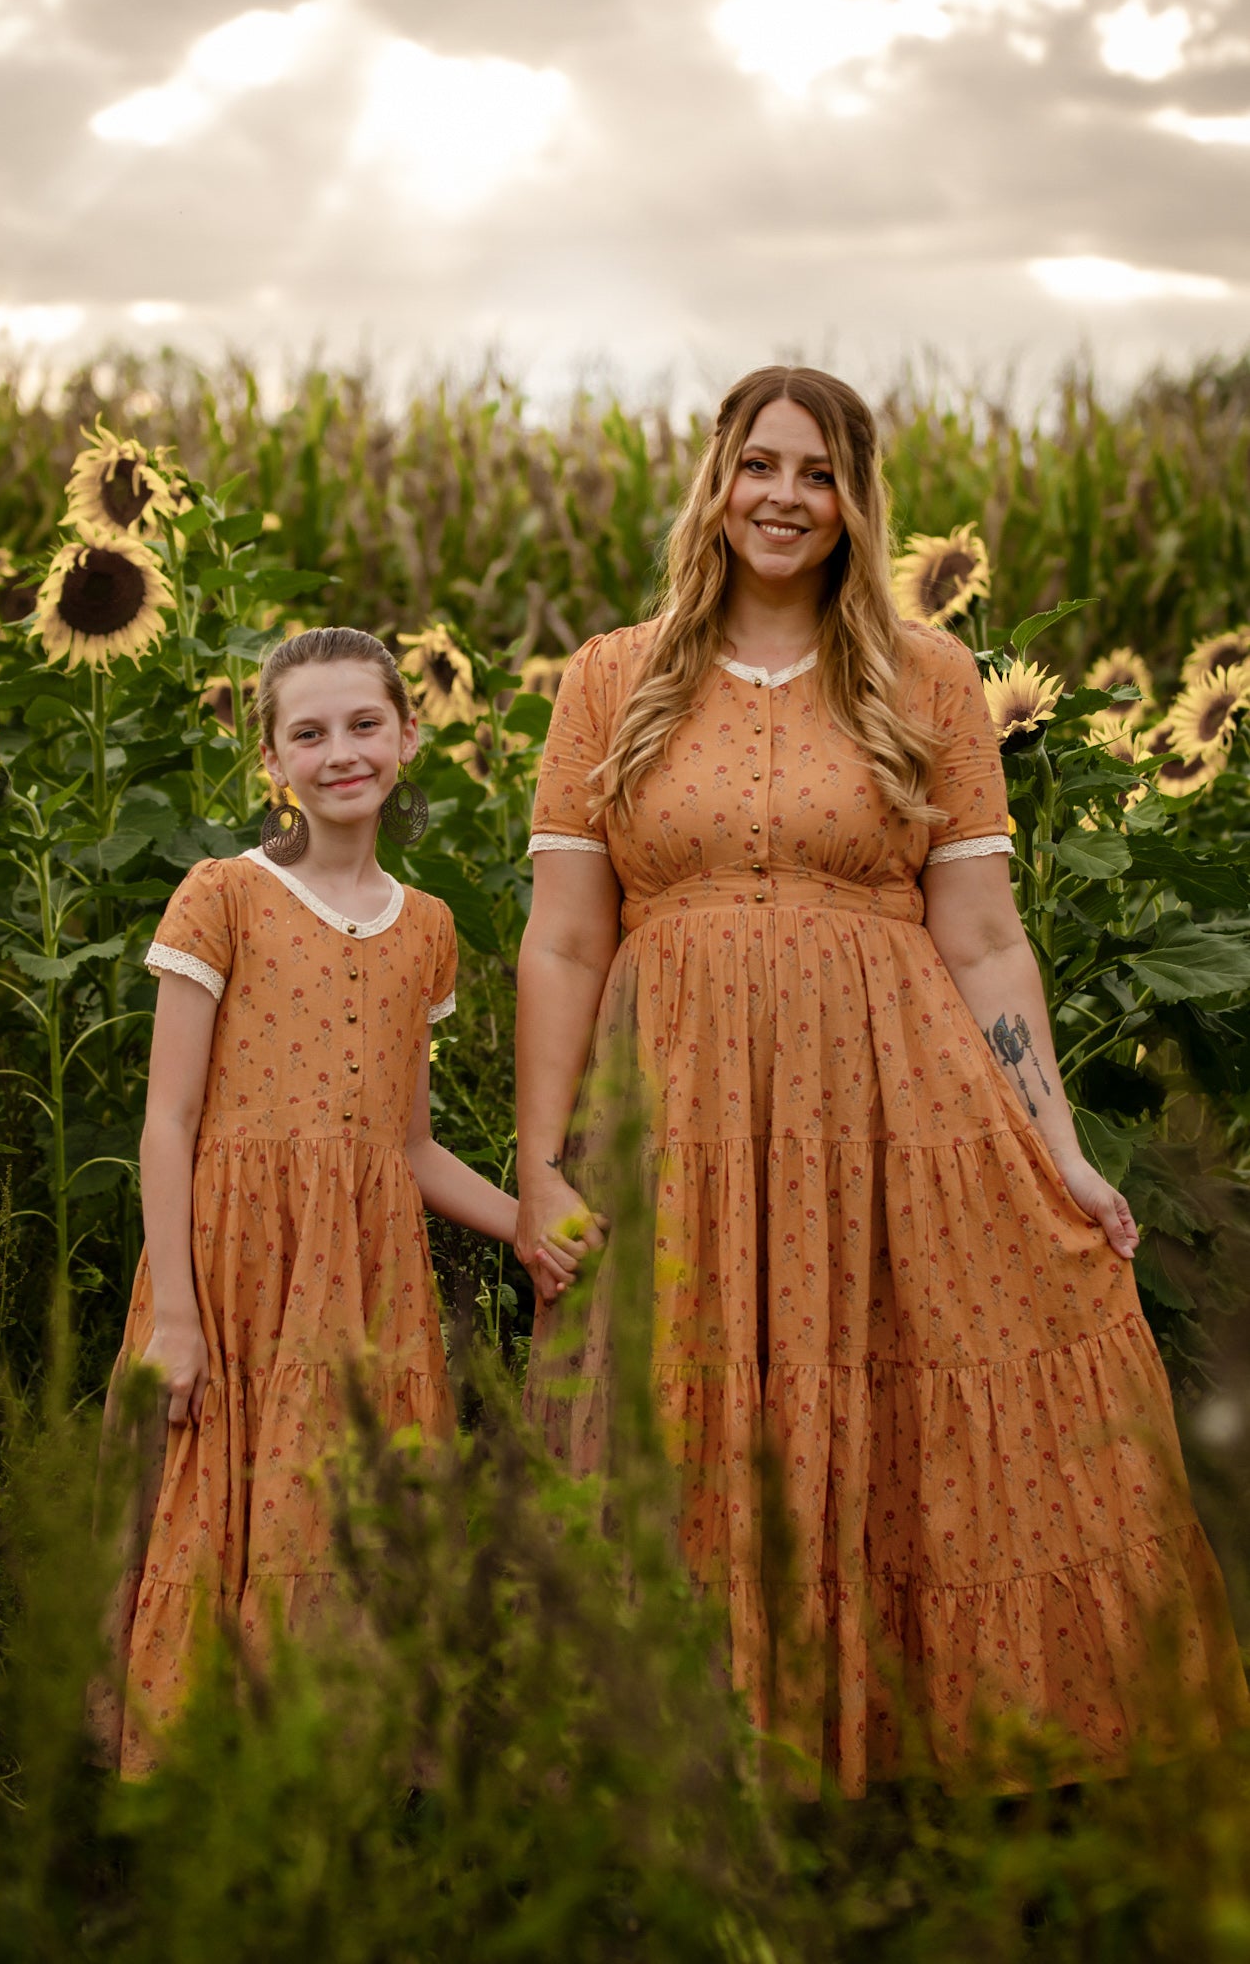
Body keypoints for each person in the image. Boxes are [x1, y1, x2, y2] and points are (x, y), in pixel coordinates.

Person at [514, 366, 1248, 1795]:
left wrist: (1062, 1148)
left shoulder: (929, 680)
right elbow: (562, 939)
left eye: (818, 472)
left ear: (856, 501)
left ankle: (890, 1774)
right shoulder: (613, 676)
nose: (784, 497)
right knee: (683, 1401)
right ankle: (690, 1773)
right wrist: (543, 1167)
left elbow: (981, 940)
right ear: (716, 482)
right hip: (677, 1107)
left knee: (903, 1405)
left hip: (893, 1103)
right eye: (759, 465)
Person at [94, 626, 573, 1776]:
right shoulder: (223, 896)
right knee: (219, 1501)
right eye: (308, 732)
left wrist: (528, 1220)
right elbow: (167, 1121)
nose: (341, 750)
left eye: (364, 724)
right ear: (273, 761)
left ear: (409, 734)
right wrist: (176, 1316)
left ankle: (331, 1765)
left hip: (360, 1279)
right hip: (228, 1264)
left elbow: (404, 1148)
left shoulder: (426, 930)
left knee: (340, 1502)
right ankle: (203, 1775)